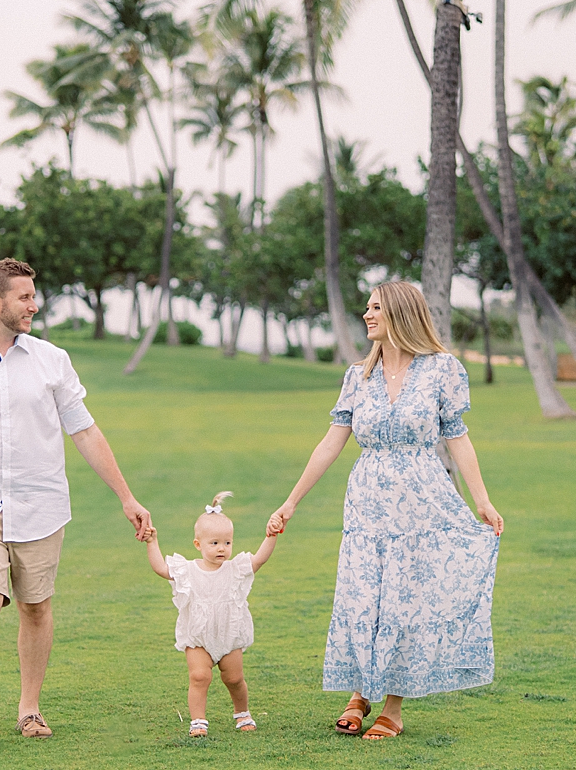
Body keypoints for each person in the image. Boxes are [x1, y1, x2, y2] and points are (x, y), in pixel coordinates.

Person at [0, 257, 152, 754]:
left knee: (35, 606)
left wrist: (126, 497)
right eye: (25, 297)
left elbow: (86, 432)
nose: (35, 305)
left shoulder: (53, 361)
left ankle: (29, 709)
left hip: (41, 502)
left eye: (34, 296)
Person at [267, 281, 504, 740]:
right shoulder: (358, 376)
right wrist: (291, 501)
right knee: (362, 596)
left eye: (375, 307)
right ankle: (359, 693)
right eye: (367, 307)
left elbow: (458, 437)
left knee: (405, 600)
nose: (366, 314)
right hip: (367, 504)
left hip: (422, 502)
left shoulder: (442, 370)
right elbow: (331, 442)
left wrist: (482, 500)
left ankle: (392, 708)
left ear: (398, 312)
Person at [142, 491, 278, 737]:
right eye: (214, 543)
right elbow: (161, 568)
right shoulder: (188, 570)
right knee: (199, 676)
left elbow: (259, 560)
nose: (221, 549)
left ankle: (242, 712)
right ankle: (198, 720)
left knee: (234, 678)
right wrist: (153, 542)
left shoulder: (234, 569)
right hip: (198, 636)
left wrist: (271, 536)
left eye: (227, 543)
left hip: (229, 633)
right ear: (198, 544)